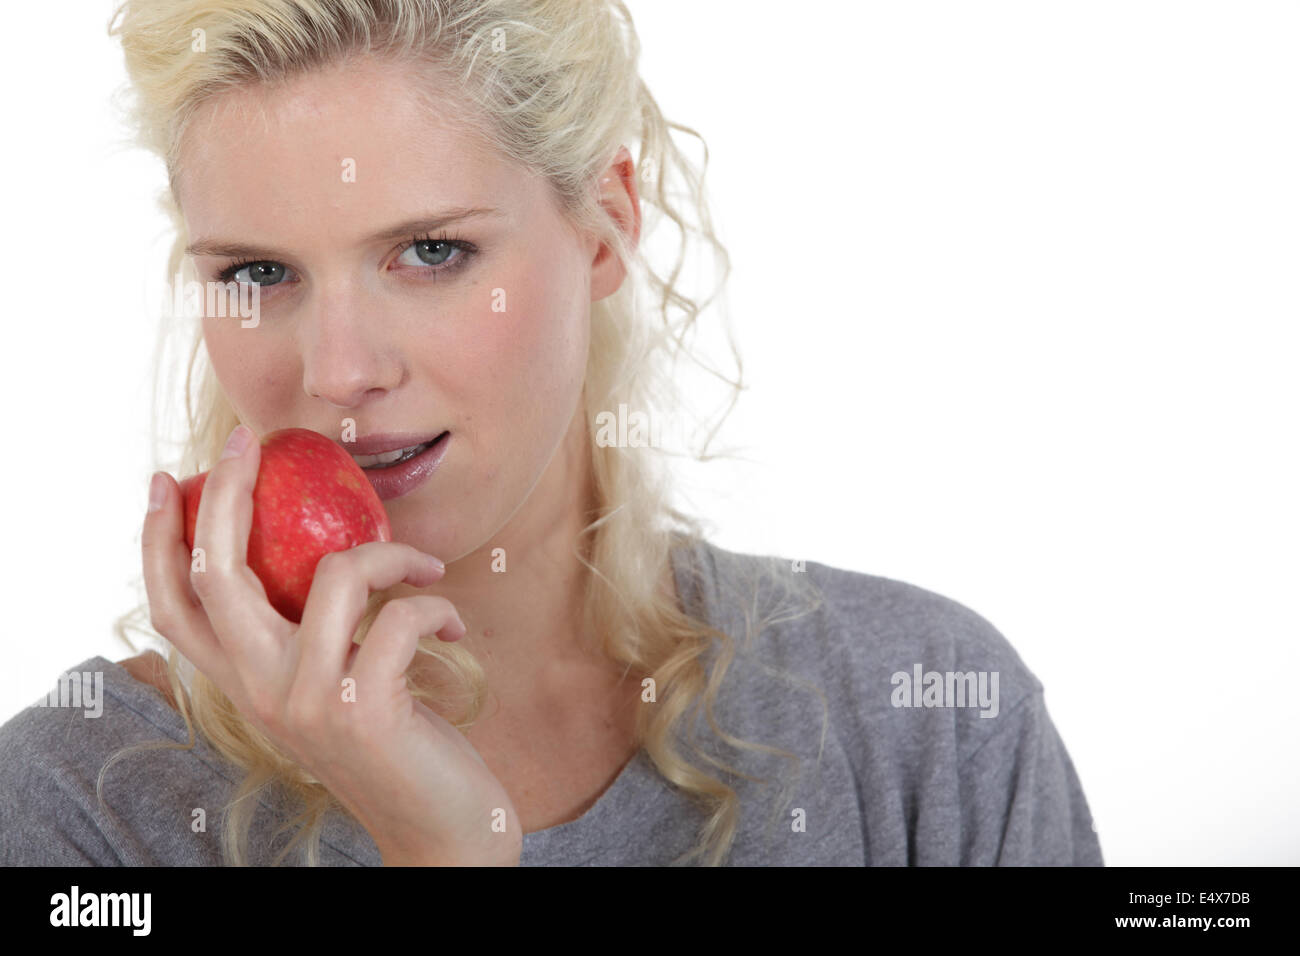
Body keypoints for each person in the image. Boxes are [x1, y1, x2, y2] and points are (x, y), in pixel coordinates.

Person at [0, 0, 1102, 867]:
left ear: (607, 226)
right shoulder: (82, 805)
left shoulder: (925, 717)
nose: (338, 372)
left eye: (430, 251)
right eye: (259, 272)